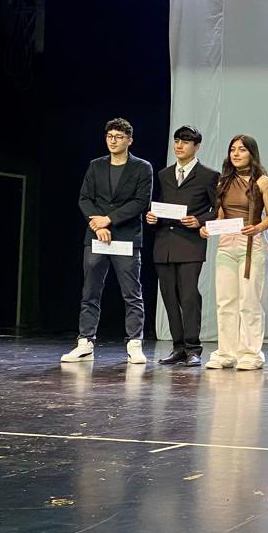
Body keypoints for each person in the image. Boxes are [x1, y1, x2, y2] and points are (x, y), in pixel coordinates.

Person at [62, 118, 154, 364]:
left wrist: (109, 220)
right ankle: (85, 341)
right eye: (110, 136)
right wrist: (97, 223)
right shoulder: (96, 166)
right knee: (90, 291)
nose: (113, 141)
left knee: (131, 293)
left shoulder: (142, 167)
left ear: (129, 140)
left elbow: (140, 202)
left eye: (119, 137)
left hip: (126, 236)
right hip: (96, 237)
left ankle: (134, 343)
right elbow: (84, 199)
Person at [145, 125, 218, 366]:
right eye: (177, 141)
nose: (179, 145)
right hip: (164, 243)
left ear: (196, 147)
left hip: (190, 243)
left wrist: (200, 220)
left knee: (189, 296)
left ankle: (193, 348)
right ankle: (178, 347)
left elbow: (217, 209)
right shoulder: (164, 174)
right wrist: (152, 217)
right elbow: (159, 205)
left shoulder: (208, 175)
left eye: (185, 142)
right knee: (169, 296)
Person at [202, 135, 268, 371]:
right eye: (232, 149)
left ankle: (251, 354)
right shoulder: (223, 182)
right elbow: (221, 216)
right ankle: (226, 353)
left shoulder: (262, 181)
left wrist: (258, 227)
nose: (236, 154)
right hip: (226, 244)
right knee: (225, 302)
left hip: (251, 244)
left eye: (241, 150)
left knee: (250, 301)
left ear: (252, 153)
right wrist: (208, 228)